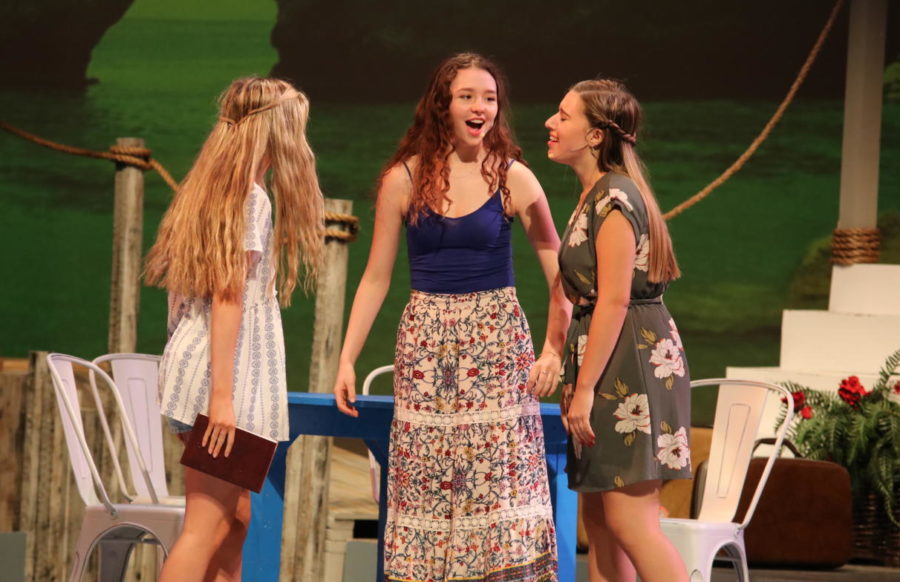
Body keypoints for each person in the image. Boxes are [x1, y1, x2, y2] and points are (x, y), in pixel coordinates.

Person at [333, 53, 569, 582]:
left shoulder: (516, 178)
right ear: (443, 103)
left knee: (499, 479)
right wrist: (346, 359)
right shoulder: (403, 179)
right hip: (427, 344)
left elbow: (563, 276)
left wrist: (554, 349)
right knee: (426, 475)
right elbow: (375, 277)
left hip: (497, 342)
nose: (480, 106)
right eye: (467, 96)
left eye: (489, 97)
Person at [144, 76, 324, 582]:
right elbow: (228, 295)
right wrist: (220, 397)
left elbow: (184, 297)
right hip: (226, 380)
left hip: (200, 366)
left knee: (236, 519)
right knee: (204, 528)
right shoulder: (250, 199)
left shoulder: (211, 188)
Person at [546, 79, 691, 582]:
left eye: (564, 115)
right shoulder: (592, 193)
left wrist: (584, 389)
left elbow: (613, 297)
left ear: (593, 135)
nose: (551, 122)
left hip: (629, 360)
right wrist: (557, 354)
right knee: (601, 522)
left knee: (631, 522)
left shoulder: (614, 195)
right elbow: (571, 290)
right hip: (606, 355)